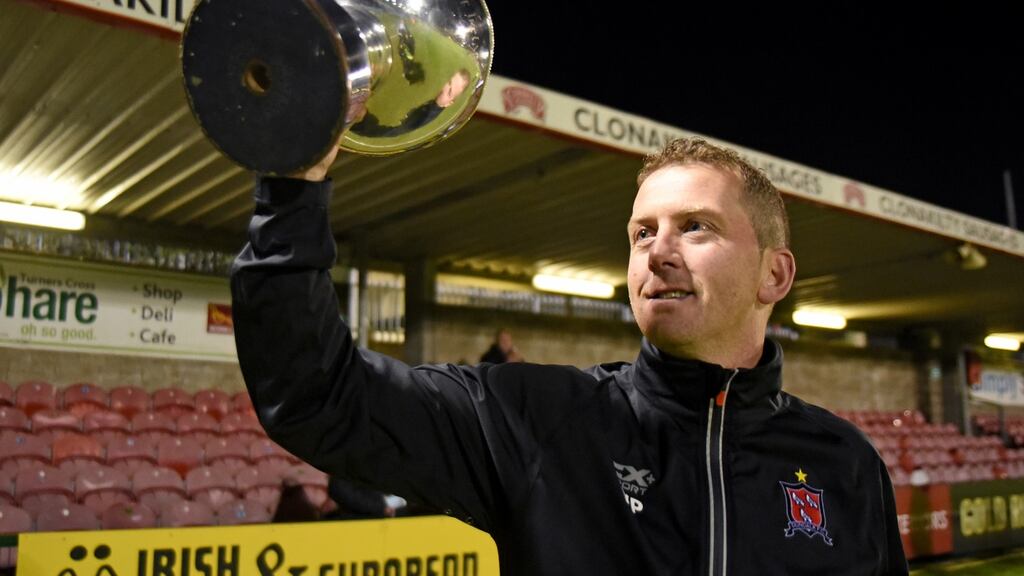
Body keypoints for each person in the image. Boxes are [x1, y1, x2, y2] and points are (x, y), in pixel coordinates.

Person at [231, 137, 908, 575]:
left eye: (695, 227)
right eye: (643, 232)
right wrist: (294, 182)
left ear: (774, 276)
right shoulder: (534, 416)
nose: (658, 251)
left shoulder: (844, 462)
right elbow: (315, 394)